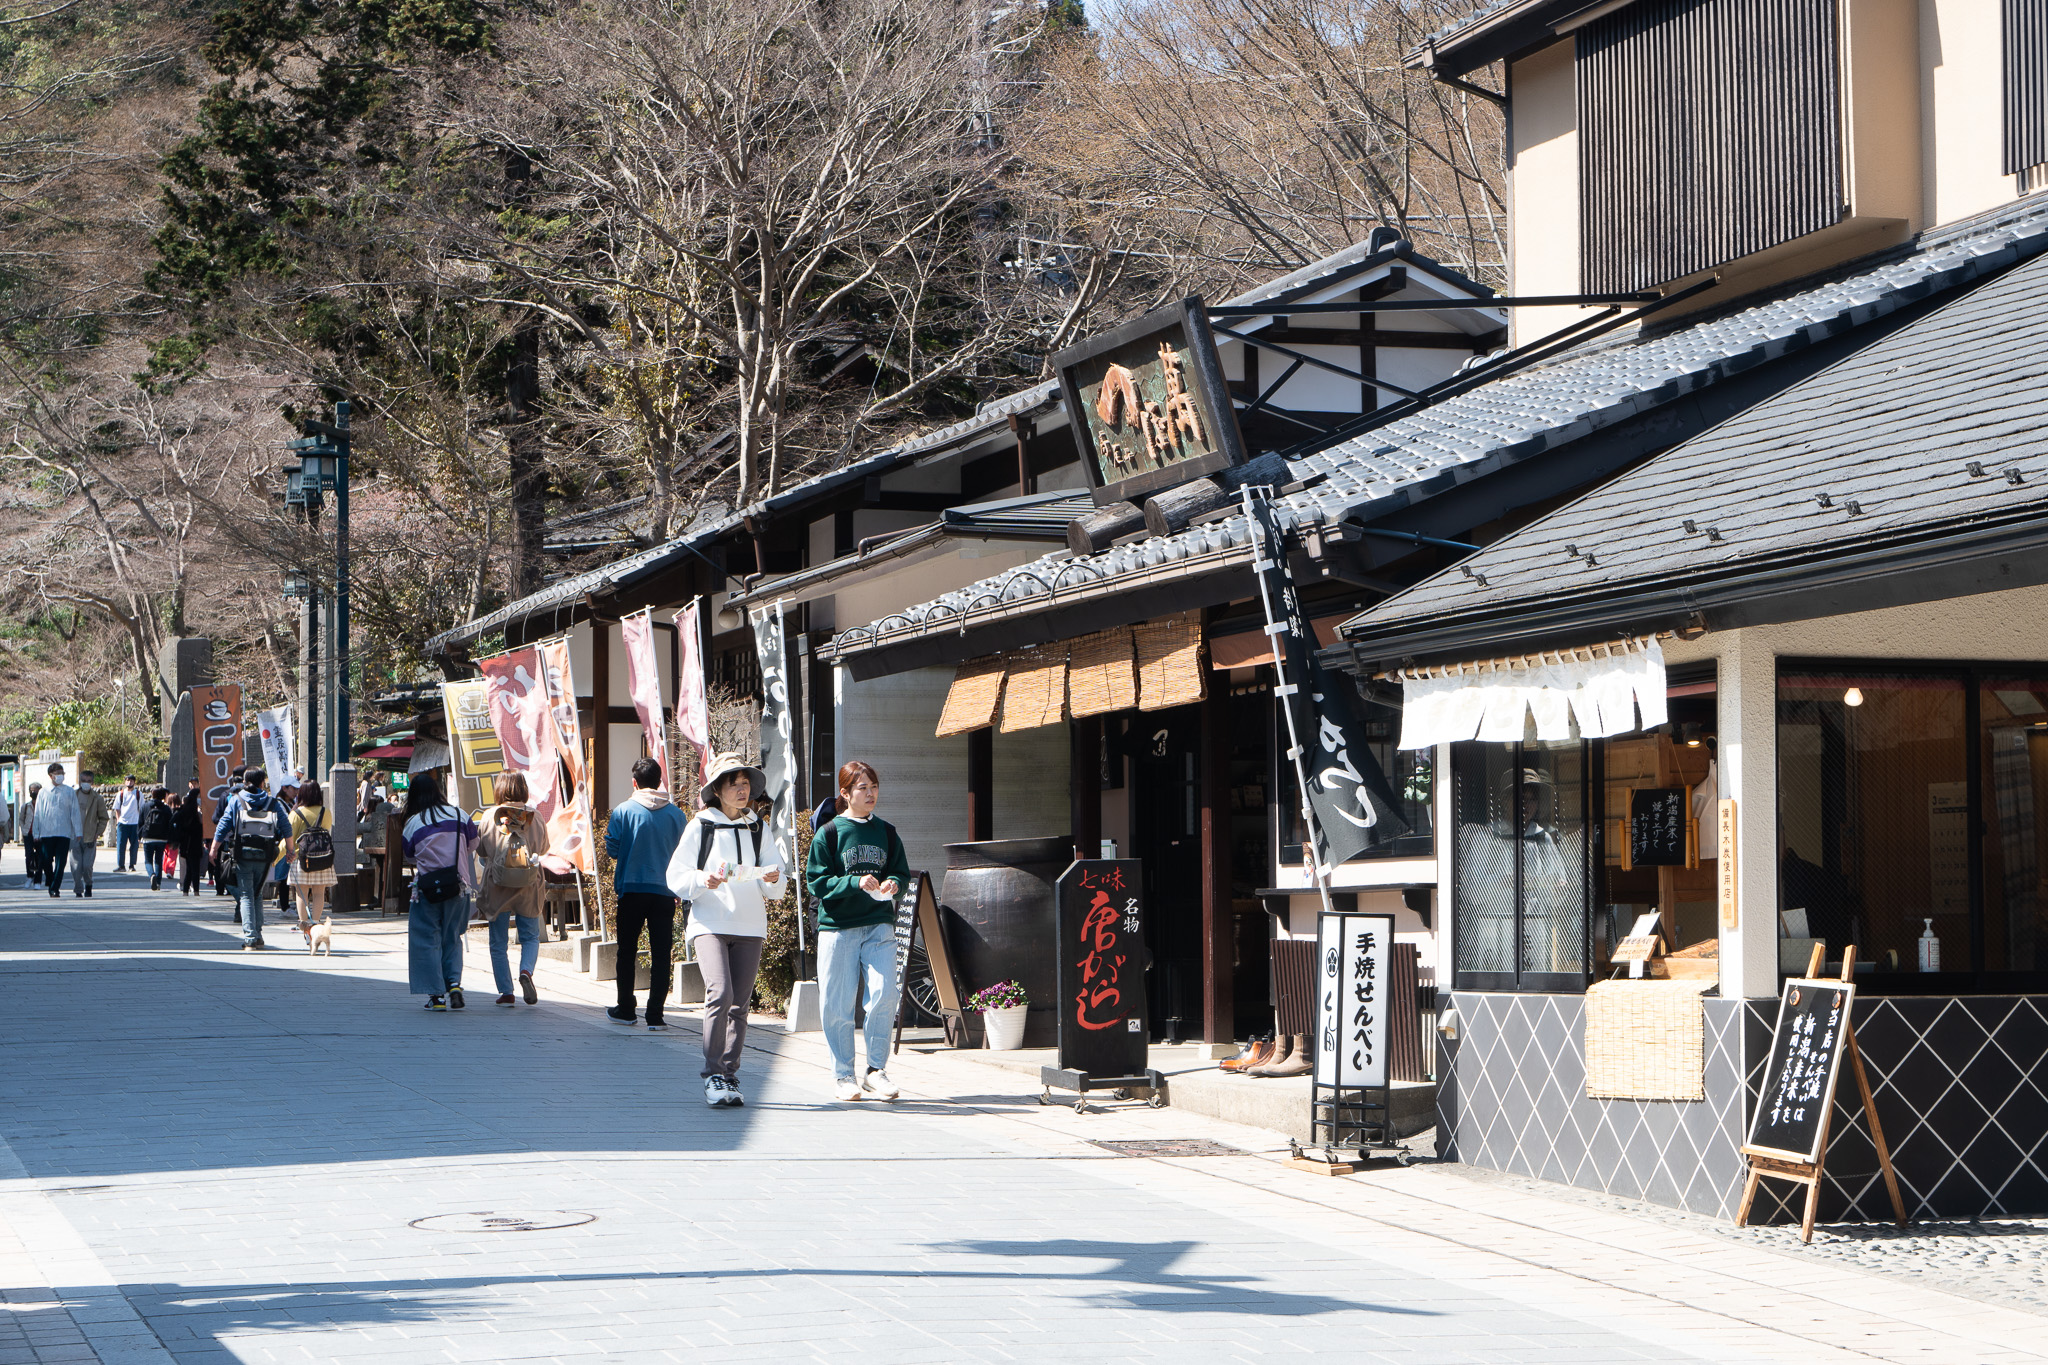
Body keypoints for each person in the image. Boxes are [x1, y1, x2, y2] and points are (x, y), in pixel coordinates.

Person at [668, 753, 782, 1107]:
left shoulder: (758, 827)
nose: (742, 788)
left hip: (750, 925)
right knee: (720, 992)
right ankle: (713, 1072)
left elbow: (775, 877)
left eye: (745, 782)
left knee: (740, 1004)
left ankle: (730, 1076)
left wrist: (775, 877)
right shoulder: (700, 826)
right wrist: (705, 878)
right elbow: (676, 876)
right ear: (717, 789)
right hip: (709, 923)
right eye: (734, 782)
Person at [805, 760, 910, 1102]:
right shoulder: (830, 833)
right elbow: (816, 881)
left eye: (874, 787)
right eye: (862, 788)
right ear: (846, 793)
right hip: (838, 928)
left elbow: (900, 871)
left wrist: (894, 882)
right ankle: (844, 1075)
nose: (870, 794)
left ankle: (875, 1070)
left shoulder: (888, 831)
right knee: (837, 1004)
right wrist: (853, 881)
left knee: (885, 994)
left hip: (878, 923)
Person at [603, 757, 687, 1028]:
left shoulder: (623, 811)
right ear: (660, 781)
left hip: (631, 888)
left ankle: (626, 1009)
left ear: (634, 782)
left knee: (626, 951)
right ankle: (656, 1015)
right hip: (665, 891)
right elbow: (684, 855)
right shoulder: (677, 815)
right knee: (662, 953)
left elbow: (613, 849)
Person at [402, 772, 478, 1010]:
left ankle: (436, 997)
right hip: (459, 887)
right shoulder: (459, 815)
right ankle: (454, 983)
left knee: (427, 939)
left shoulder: (413, 823)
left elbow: (409, 855)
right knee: (453, 936)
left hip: (427, 891)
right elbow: (473, 844)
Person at [475, 772, 548, 1007]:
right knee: (530, 936)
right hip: (528, 884)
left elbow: (483, 852)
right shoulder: (534, 816)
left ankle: (506, 992)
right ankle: (526, 971)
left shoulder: (490, 816)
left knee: (498, 943)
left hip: (498, 885)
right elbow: (544, 848)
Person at [210, 767, 291, 949]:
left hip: (242, 854)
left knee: (246, 894)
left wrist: (213, 849)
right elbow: (286, 827)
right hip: (266, 855)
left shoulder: (236, 800)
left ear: (245, 782)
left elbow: (223, 825)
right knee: (257, 894)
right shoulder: (272, 803)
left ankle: (250, 938)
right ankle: (258, 935)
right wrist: (291, 850)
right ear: (262, 783)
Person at [287, 779, 337, 943]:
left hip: (301, 858)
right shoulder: (326, 812)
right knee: (318, 892)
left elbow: (289, 838)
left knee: (301, 893)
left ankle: (305, 928)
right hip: (322, 857)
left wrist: (278, 857)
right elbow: (327, 830)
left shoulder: (296, 813)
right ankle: (316, 924)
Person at [73, 772, 109, 897]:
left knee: (87, 866)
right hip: (74, 837)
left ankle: (88, 884)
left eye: (88, 781)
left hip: (90, 837)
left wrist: (98, 833)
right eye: (83, 780)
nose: (85, 783)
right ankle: (78, 889)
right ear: (80, 781)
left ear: (92, 782)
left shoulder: (97, 798)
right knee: (76, 866)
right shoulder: (73, 796)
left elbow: (104, 818)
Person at [139, 786, 175, 890]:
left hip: (147, 837)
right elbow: (170, 823)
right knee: (158, 861)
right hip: (162, 838)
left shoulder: (145, 806)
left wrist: (139, 835)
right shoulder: (166, 808)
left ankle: (152, 875)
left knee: (148, 861)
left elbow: (140, 822)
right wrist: (170, 838)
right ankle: (158, 883)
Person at [172, 790, 206, 895]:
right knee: (194, 868)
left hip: (185, 843)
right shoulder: (196, 814)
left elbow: (173, 822)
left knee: (190, 868)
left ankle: (186, 890)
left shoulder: (182, 811)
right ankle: (195, 890)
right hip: (195, 843)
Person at [112, 775, 143, 872]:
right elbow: (117, 808)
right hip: (122, 823)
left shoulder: (138, 794)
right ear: (125, 782)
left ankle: (132, 865)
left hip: (135, 823)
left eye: (131, 781)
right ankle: (121, 866)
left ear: (134, 782)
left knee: (134, 846)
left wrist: (141, 823)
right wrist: (118, 820)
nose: (129, 782)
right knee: (121, 845)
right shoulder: (120, 794)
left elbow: (142, 809)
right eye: (127, 780)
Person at [21, 781, 40, 887]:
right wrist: (24, 831)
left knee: (39, 857)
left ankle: (37, 880)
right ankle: (29, 875)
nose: (34, 792)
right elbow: (21, 819)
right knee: (28, 855)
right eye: (32, 790)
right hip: (28, 834)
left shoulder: (42, 805)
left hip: (40, 834)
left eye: (36, 790)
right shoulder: (26, 806)